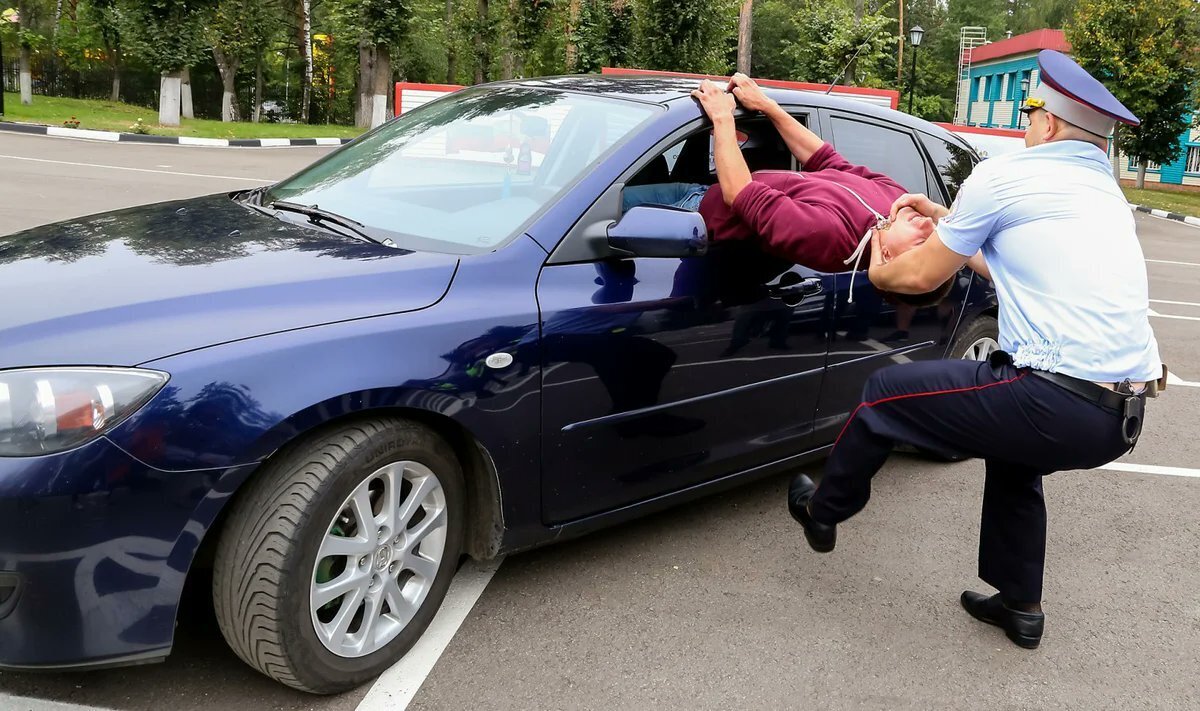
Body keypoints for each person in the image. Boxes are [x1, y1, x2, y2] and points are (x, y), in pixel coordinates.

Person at [785, 50, 1166, 650]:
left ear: (1049, 124)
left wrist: (874, 272)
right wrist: (949, 219)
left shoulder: (1006, 175)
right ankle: (1021, 606)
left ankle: (823, 512)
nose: (1025, 122)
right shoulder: (1104, 193)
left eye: (1031, 110)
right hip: (1122, 416)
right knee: (1016, 461)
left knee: (885, 394)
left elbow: (915, 278)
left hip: (1055, 400)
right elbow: (1011, 266)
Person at [626, 74, 939, 279]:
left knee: (598, 208)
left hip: (694, 215)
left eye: (923, 240)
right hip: (698, 190)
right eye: (935, 230)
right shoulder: (898, 200)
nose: (927, 222)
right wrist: (767, 105)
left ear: (888, 256)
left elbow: (740, 195)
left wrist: (723, 117)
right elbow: (825, 159)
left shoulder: (831, 238)